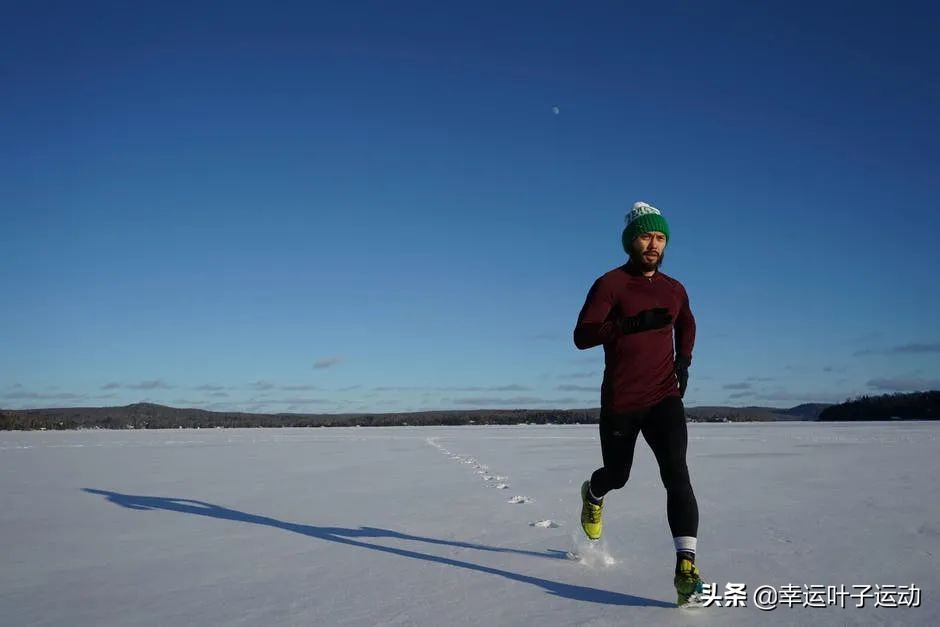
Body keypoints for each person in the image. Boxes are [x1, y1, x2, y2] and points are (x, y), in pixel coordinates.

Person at [572, 201, 703, 607]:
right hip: (621, 400)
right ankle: (593, 494)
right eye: (646, 236)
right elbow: (582, 335)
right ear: (632, 240)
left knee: (676, 473)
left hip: (664, 396)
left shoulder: (674, 288)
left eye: (660, 237)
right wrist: (628, 325)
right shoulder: (610, 284)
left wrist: (684, 360)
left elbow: (687, 321)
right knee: (618, 473)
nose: (653, 244)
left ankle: (686, 566)